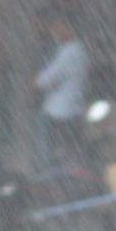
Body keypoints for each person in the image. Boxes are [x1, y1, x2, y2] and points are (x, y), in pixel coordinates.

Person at [33, 11, 89, 170]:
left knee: (48, 156)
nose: (54, 31)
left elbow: (42, 81)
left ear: (68, 29)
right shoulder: (78, 50)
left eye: (57, 27)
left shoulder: (68, 53)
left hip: (58, 112)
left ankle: (46, 178)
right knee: (68, 154)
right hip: (72, 109)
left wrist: (36, 80)